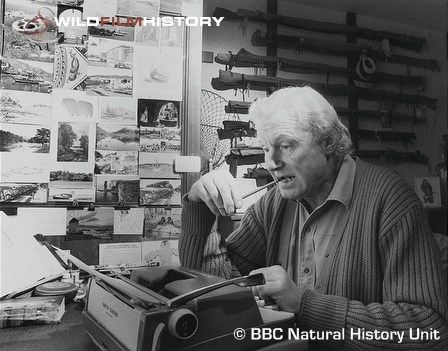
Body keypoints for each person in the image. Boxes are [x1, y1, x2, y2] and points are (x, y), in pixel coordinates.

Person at [179, 86, 447, 350]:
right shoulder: (274, 203)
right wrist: (198, 206)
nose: (271, 162)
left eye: (285, 145)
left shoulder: (390, 200)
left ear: (328, 142)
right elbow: (211, 287)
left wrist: (305, 306)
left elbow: (429, 331)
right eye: (266, 148)